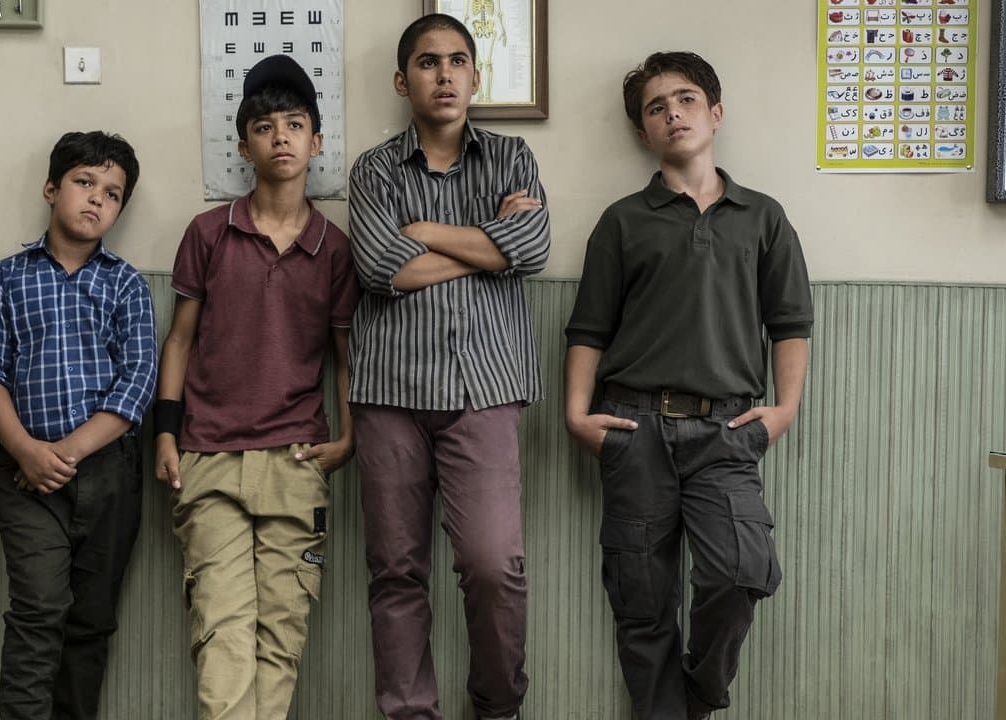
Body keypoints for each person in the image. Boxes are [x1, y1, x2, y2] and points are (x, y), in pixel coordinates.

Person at [564, 51, 813, 720]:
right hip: (633, 428)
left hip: (727, 432)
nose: (672, 113)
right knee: (641, 602)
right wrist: (576, 415)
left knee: (741, 572)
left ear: (715, 112)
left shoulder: (762, 217)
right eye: (656, 107)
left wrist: (785, 409)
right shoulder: (622, 221)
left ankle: (698, 694)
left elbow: (790, 324)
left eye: (686, 99)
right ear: (643, 131)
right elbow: (588, 329)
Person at [347, 14, 550, 720]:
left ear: (475, 77)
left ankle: (497, 707)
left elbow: (532, 250)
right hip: (388, 392)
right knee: (396, 570)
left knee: (494, 565)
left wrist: (425, 233)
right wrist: (490, 245)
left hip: (485, 387)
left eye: (458, 61)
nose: (444, 74)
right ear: (403, 81)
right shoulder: (374, 170)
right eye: (428, 62)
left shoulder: (512, 158)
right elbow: (381, 267)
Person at [152, 54, 359, 720]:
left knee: (281, 636)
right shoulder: (209, 233)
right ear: (245, 146)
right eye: (265, 128)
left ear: (317, 141)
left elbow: (345, 354)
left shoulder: (334, 247)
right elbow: (179, 341)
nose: (281, 138)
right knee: (222, 632)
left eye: (295, 125)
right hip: (208, 455)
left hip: (296, 459)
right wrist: (166, 433)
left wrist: (348, 437)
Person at [0, 130, 156, 720]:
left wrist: (65, 453)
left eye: (112, 193)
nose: (97, 198)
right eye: (84, 182)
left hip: (109, 475)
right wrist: (26, 450)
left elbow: (137, 383)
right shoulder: (7, 278)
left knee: (91, 621)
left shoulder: (126, 284)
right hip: (26, 476)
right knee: (38, 610)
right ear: (51, 189)